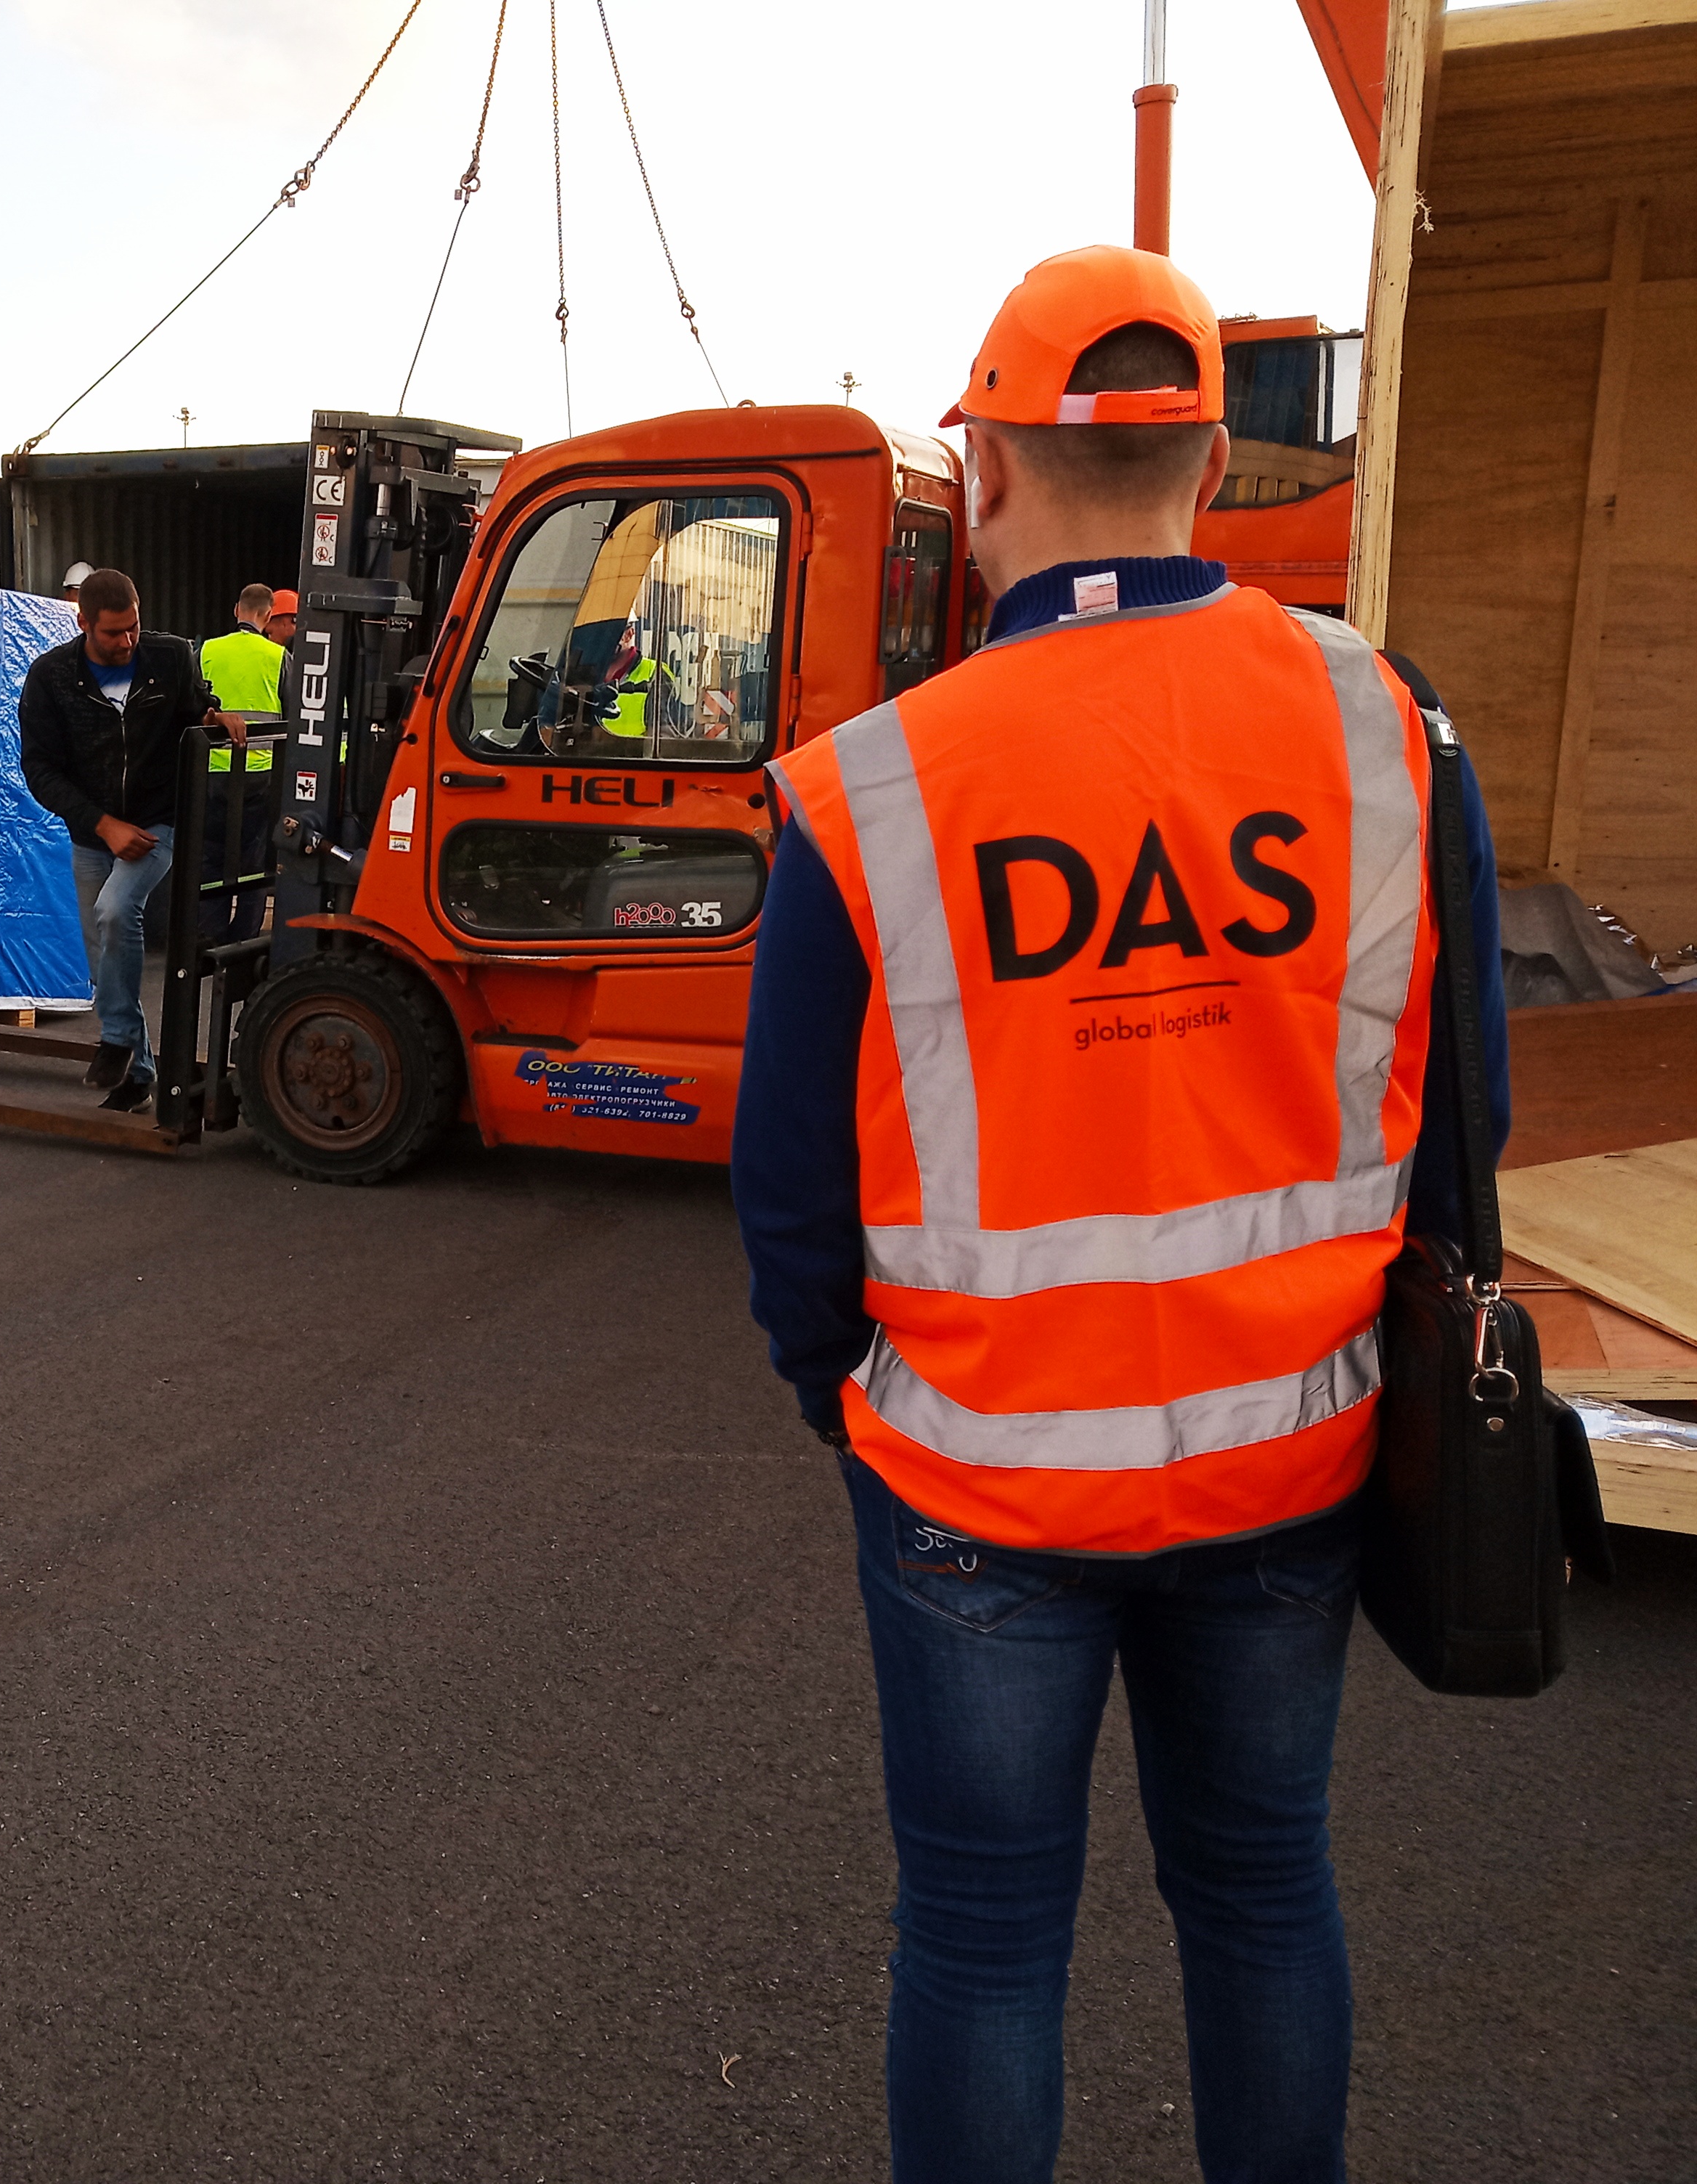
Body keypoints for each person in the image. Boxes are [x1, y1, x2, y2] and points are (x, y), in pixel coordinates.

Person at [730, 244, 1506, 2184]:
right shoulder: (1387, 728)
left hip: (975, 1478)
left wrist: (840, 1388)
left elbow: (789, 1194)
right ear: (1216, 463)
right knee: (1258, 1890)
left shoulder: (870, 787)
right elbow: (1464, 1107)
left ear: (984, 467)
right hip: (1287, 1458)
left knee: (982, 1937)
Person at [17, 567, 248, 1107]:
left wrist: (216, 714)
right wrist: (103, 825)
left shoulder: (168, 657)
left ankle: (118, 1039)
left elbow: (194, 703)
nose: (127, 642)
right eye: (113, 632)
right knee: (103, 955)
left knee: (117, 910)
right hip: (93, 831)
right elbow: (41, 770)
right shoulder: (51, 678)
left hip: (158, 820)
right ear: (83, 623)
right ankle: (140, 1072)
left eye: (134, 628)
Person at [195, 584, 288, 946]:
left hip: (210, 772)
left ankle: (209, 937)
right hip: (260, 775)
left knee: (209, 859)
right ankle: (245, 943)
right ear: (268, 615)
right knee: (254, 862)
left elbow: (191, 706)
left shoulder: (207, 650)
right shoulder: (278, 657)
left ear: (237, 609)